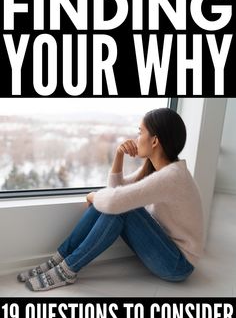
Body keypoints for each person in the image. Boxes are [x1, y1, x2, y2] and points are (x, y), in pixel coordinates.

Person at [17, 108, 204, 291]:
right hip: (162, 247)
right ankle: (58, 260)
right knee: (112, 202)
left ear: (154, 141)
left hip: (177, 264)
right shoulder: (157, 169)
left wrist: (93, 195)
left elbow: (115, 201)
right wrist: (119, 155)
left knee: (120, 206)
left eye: (140, 132)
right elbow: (115, 191)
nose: (136, 138)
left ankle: (67, 270)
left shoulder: (171, 177)